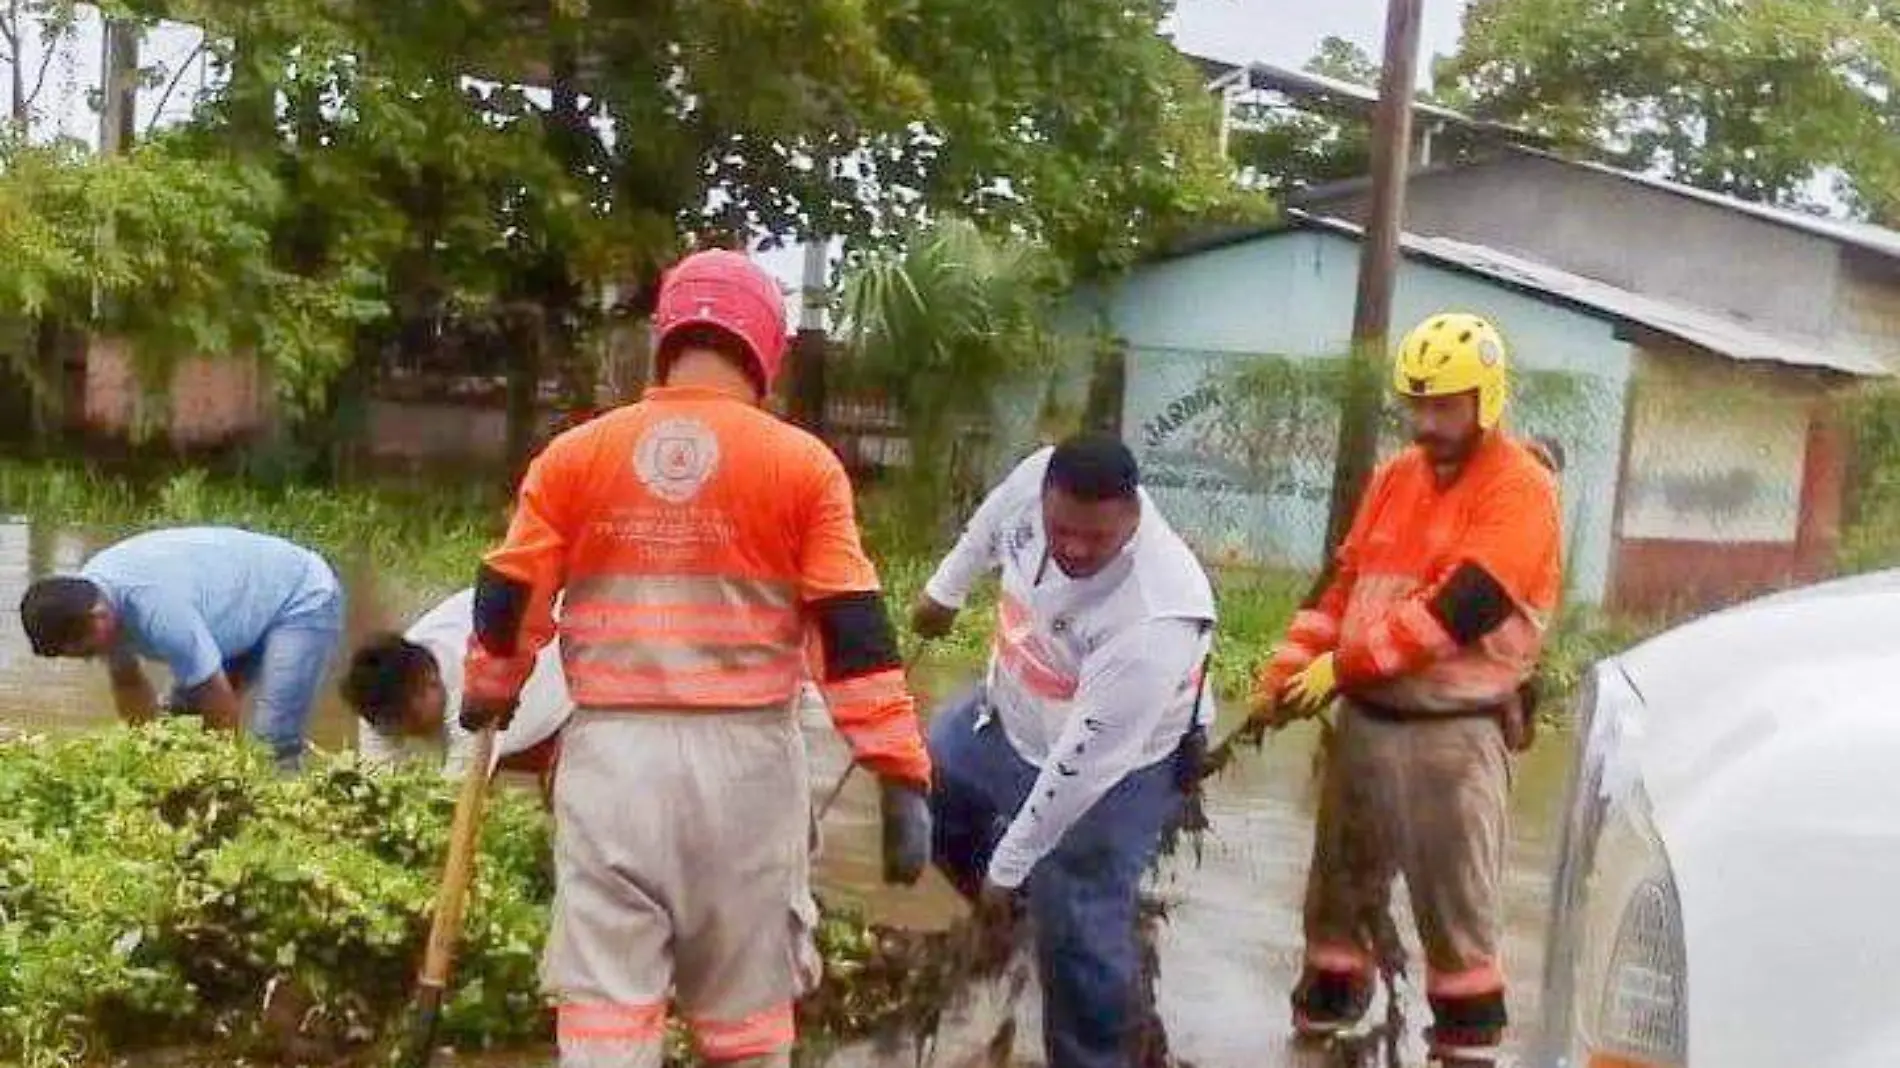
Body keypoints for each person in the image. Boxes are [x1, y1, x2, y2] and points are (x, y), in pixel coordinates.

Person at [459, 247, 933, 1068]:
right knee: (746, 1023)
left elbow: (509, 594)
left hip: (612, 762)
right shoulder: (802, 466)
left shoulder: (575, 457)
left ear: (666, 339)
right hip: (748, 771)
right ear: (766, 351)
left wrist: (487, 690)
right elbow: (851, 631)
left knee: (608, 1015)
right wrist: (898, 769)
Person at [1251, 312, 1563, 1067]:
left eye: (1445, 406)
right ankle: (1320, 1034)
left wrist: (1345, 667)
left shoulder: (1522, 489)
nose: (1427, 422)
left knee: (1456, 913)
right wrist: (1284, 672)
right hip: (1365, 722)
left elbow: (1462, 610)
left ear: (1485, 401)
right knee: (1336, 897)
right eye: (1417, 405)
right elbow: (1342, 582)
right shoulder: (1394, 478)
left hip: (1455, 732)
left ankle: (1464, 1048)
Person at [911, 433, 1216, 1068]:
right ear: (1046, 497)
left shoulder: (1156, 614)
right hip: (1008, 715)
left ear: (1133, 516)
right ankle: (1025, 919)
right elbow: (993, 518)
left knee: (1079, 919)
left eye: (1096, 539)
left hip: (1114, 771)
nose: (1074, 549)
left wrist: (1007, 865)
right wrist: (946, 589)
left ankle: (1101, 1046)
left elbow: (1079, 771)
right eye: (1061, 530)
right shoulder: (1034, 479)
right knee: (929, 780)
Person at [18, 526, 345, 770]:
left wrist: (221, 778)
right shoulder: (88, 598)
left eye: (86, 651)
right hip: (234, 611)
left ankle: (283, 833)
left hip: (299, 597)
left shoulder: (157, 610)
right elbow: (129, 685)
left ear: (99, 620)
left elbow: (218, 699)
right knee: (180, 723)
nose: (92, 659)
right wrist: (149, 758)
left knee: (273, 740)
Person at [342, 587, 571, 782]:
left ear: (430, 683)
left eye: (411, 721)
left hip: (560, 670)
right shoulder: (376, 695)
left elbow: (456, 792)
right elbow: (378, 777)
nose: (406, 733)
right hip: (499, 628)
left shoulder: (469, 691)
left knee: (567, 784)